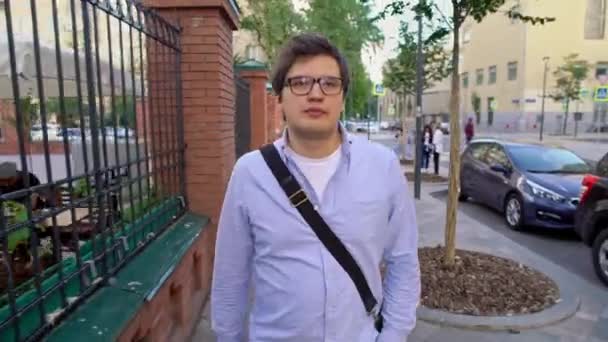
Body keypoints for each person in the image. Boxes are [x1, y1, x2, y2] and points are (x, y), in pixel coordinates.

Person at [211, 33, 420, 342]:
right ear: (279, 96)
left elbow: (403, 262)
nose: (316, 94)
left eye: (329, 83)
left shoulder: (382, 167)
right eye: (300, 83)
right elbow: (230, 276)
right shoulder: (250, 174)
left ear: (343, 97)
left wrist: (393, 336)